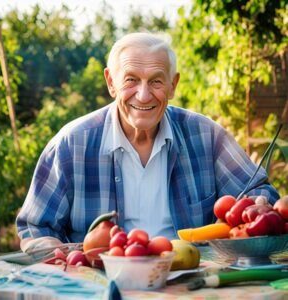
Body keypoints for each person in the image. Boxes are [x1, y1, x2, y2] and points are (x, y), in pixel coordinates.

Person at [16, 32, 279, 252]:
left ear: (173, 85)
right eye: (131, 80)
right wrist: (60, 256)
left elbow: (259, 193)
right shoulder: (71, 145)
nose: (143, 95)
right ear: (111, 82)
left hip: (192, 281)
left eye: (156, 81)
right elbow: (35, 226)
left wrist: (257, 207)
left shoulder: (206, 135)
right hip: (101, 284)